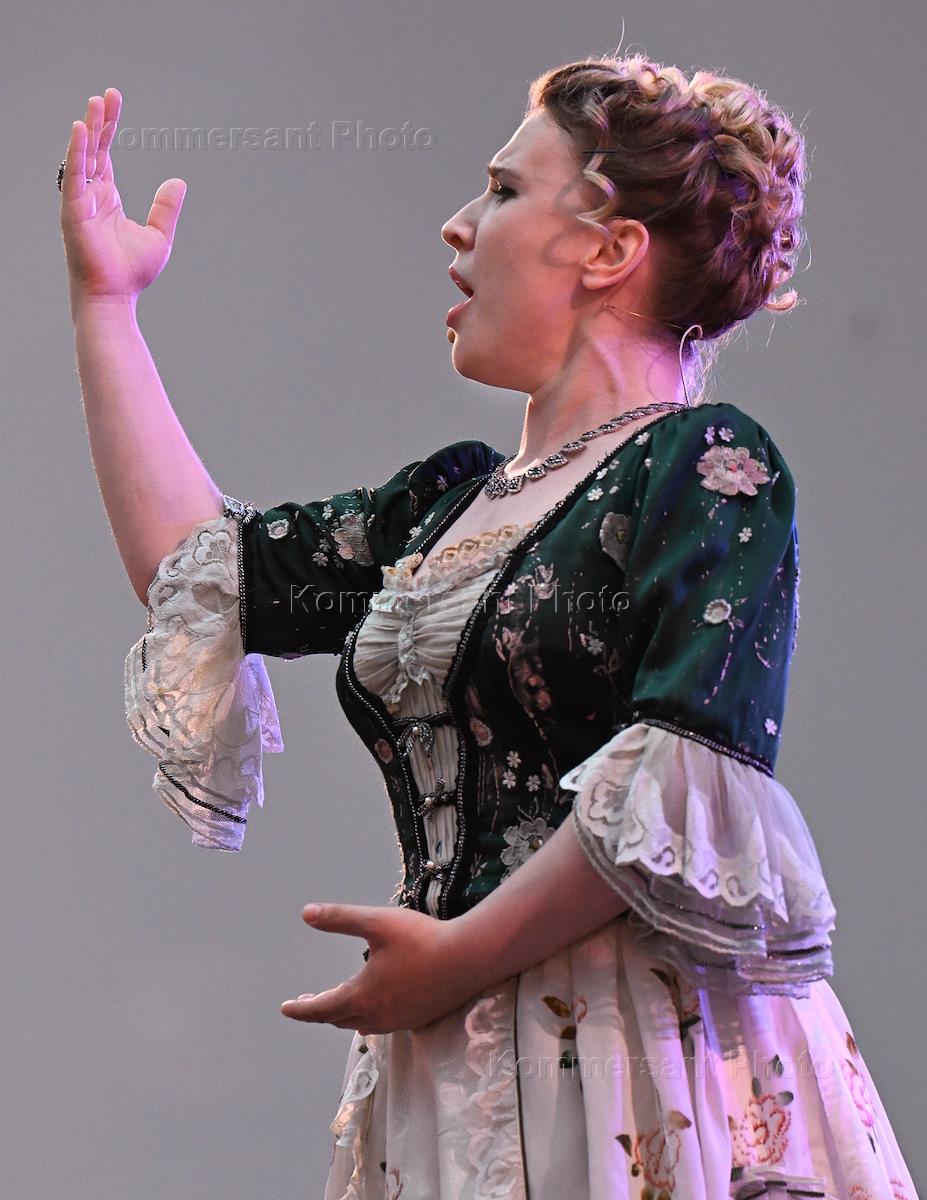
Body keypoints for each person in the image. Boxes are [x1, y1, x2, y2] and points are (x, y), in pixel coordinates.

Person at [61, 53, 919, 1200]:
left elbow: (682, 769)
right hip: (447, 1048)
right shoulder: (442, 510)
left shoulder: (702, 467)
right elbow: (198, 571)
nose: (460, 225)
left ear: (610, 250)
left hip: (628, 1044)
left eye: (507, 191)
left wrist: (457, 958)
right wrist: (106, 308)